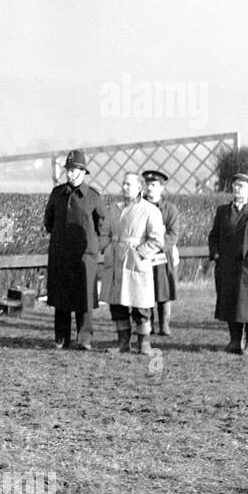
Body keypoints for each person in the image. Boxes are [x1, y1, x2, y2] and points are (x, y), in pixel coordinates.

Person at [43, 149, 109, 350]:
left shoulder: (93, 197)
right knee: (61, 298)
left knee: (85, 299)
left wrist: (94, 248)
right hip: (61, 255)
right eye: (68, 170)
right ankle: (61, 338)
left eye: (74, 170)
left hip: (84, 257)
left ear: (83, 172)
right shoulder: (57, 194)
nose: (70, 174)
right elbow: (49, 222)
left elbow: (103, 227)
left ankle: (84, 339)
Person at [98, 173, 166, 354]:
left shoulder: (150, 210)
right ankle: (123, 344)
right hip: (115, 261)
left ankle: (144, 344)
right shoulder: (114, 208)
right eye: (123, 184)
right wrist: (105, 248)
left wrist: (139, 253)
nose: (124, 187)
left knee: (141, 305)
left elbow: (157, 240)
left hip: (136, 262)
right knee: (117, 304)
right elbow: (104, 232)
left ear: (139, 187)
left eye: (128, 184)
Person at [207, 173, 248, 354]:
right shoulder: (222, 211)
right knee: (230, 304)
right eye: (235, 185)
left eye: (242, 186)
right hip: (226, 268)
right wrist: (216, 254)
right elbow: (214, 236)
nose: (237, 189)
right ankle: (234, 341)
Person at [142, 169, 180, 335]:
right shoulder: (138, 207)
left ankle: (164, 325)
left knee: (163, 289)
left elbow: (173, 234)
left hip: (163, 256)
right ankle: (147, 324)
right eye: (148, 185)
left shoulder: (170, 209)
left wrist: (157, 248)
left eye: (154, 185)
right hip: (142, 254)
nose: (150, 188)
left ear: (161, 188)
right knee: (144, 289)